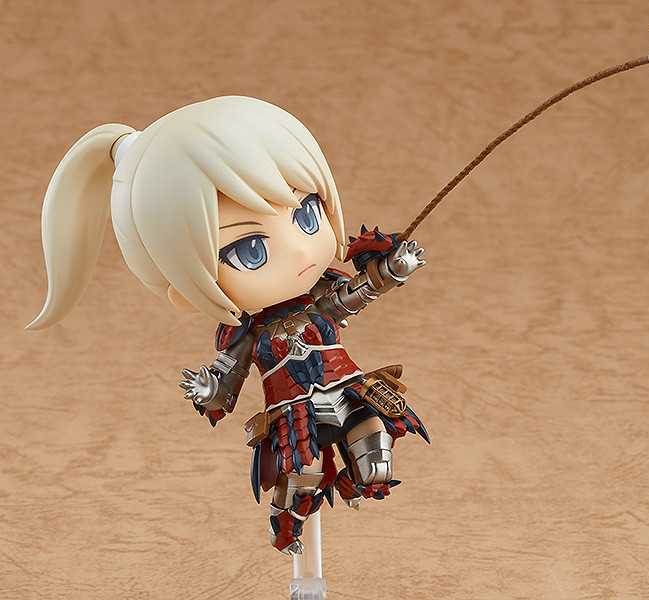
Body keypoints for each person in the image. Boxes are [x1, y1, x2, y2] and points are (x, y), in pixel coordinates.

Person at [28, 96, 429, 554]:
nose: (300, 251)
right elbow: (228, 383)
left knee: (376, 460)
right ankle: (287, 529)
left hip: (347, 388)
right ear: (185, 287)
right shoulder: (247, 334)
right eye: (249, 251)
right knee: (301, 480)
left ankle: (353, 488)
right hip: (294, 409)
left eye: (306, 215)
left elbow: (356, 294)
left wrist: (391, 269)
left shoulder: (320, 303)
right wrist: (209, 390)